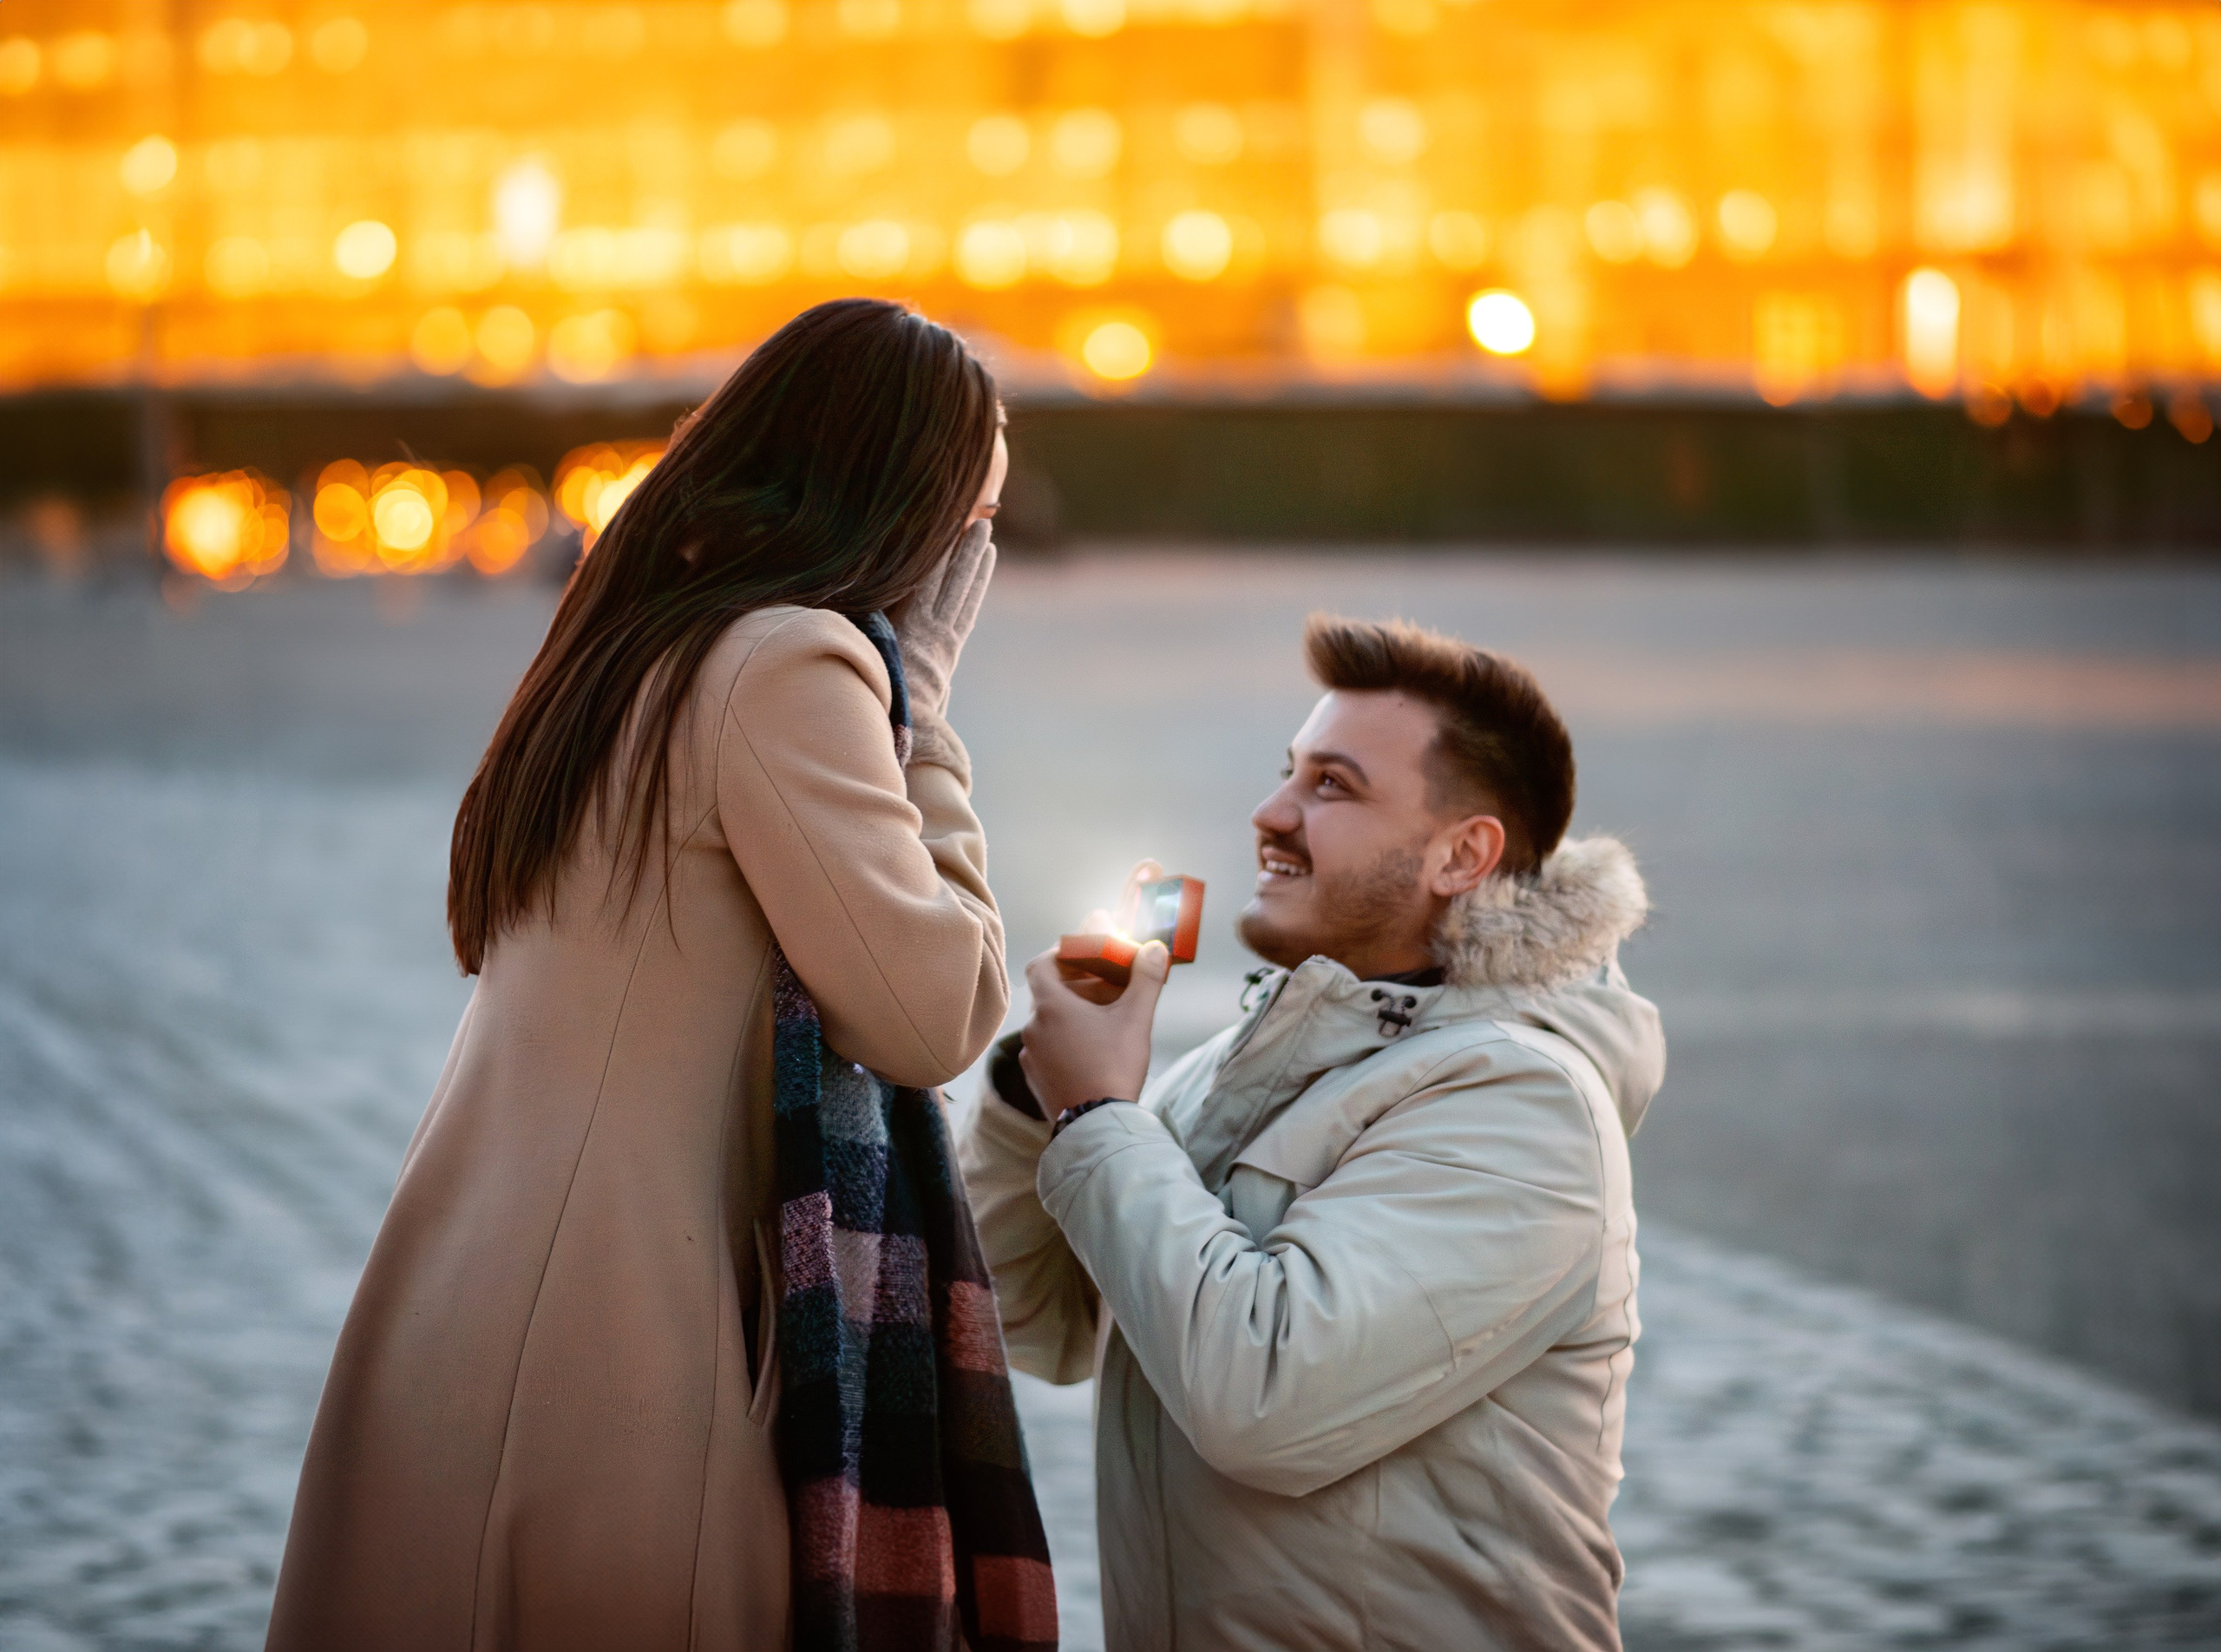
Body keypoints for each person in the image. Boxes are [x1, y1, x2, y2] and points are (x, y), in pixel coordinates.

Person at [270, 299, 1057, 1652]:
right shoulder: (788, 663)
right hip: (631, 1347)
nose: (969, 563)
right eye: (969, 525)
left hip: (473, 1300)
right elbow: (935, 1009)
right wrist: (918, 696)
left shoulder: (643, 632)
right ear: (904, 512)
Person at [963, 614, 1666, 1651]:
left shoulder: (1526, 1102)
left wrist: (1101, 1115)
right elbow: (1040, 1323)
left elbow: (1264, 1397)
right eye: (1286, 772)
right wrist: (1033, 1103)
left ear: (1462, 854)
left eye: (1330, 785)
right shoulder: (1244, 1064)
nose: (1269, 812)